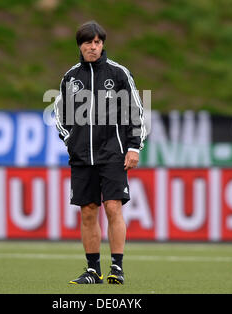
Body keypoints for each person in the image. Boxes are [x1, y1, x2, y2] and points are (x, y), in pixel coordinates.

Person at [54, 20, 146, 284]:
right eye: (88, 43)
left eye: (97, 42)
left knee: (113, 207)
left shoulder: (118, 74)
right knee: (88, 211)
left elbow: (135, 111)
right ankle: (93, 270)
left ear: (102, 44)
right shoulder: (71, 78)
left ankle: (117, 268)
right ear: (80, 46)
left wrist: (133, 146)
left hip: (113, 154)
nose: (93, 47)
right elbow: (60, 115)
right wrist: (71, 138)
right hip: (82, 157)